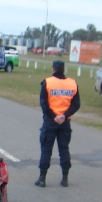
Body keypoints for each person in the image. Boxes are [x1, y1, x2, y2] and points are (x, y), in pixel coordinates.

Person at [35, 60, 81, 188]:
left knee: (46, 150)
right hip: (65, 122)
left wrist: (54, 116)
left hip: (50, 121)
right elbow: (76, 104)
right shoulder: (72, 83)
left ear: (53, 69)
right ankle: (65, 178)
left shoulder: (47, 82)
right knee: (64, 150)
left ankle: (42, 178)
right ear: (63, 70)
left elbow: (43, 104)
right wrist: (64, 116)